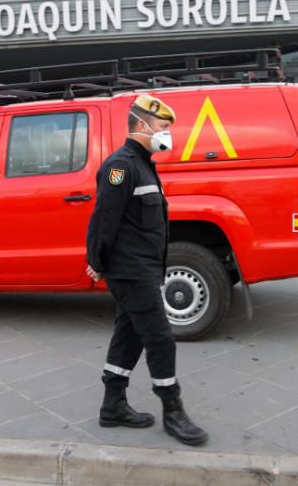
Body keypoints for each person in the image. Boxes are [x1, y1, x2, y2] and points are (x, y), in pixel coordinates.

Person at [85, 94, 208, 447]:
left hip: (143, 268)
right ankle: (173, 410)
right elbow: (104, 219)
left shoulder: (143, 163)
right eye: (163, 127)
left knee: (130, 334)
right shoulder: (120, 166)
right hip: (130, 270)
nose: (167, 133)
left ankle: (112, 406)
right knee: (160, 338)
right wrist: (96, 261)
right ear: (142, 125)